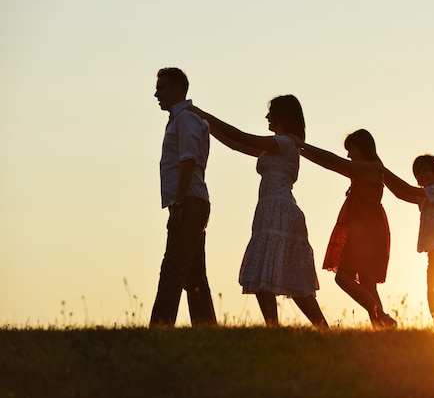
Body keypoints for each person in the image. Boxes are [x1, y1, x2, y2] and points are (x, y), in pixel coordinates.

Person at [188, 95, 328, 328]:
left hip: (279, 210)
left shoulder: (282, 143)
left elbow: (242, 136)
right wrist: (205, 124)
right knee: (266, 276)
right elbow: (235, 143)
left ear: (282, 116)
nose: (267, 117)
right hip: (270, 210)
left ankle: (316, 328)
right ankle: (277, 327)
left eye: (271, 112)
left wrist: (203, 114)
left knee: (289, 280)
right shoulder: (275, 145)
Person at [291, 130, 396, 328]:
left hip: (364, 231)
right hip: (371, 229)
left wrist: (304, 147)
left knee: (343, 277)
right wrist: (302, 150)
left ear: (362, 148)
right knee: (367, 282)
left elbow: (335, 162)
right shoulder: (370, 168)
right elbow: (332, 163)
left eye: (351, 150)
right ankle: (382, 328)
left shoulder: (369, 168)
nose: (349, 155)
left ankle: (382, 316)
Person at [150, 67, 217, 327]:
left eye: (162, 87)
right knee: (194, 274)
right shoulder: (182, 119)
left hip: (188, 201)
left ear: (178, 89)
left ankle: (159, 327)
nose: (156, 93)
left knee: (173, 269)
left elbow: (188, 161)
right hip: (190, 201)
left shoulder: (186, 119)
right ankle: (208, 328)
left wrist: (178, 203)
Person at [383, 154, 434, 329]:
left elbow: (407, 189)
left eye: (426, 170)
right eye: (418, 173)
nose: (421, 175)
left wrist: (382, 170)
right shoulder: (426, 196)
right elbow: (399, 193)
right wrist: (381, 174)